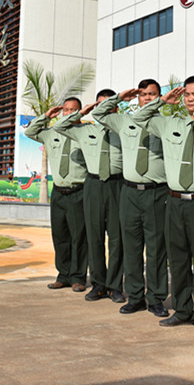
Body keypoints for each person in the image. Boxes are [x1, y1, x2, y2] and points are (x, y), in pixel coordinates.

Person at [131, 76, 194, 333]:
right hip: (174, 202)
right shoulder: (170, 124)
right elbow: (139, 118)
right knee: (177, 260)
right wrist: (162, 102)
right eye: (186, 94)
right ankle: (183, 310)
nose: (189, 99)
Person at [92, 79, 169, 317]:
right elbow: (98, 113)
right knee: (131, 247)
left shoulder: (166, 124)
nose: (148, 98)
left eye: (152, 94)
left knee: (156, 248)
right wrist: (119, 98)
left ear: (160, 97)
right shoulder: (124, 121)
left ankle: (155, 298)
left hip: (156, 192)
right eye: (144, 94)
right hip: (129, 193)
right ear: (138, 98)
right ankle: (135, 296)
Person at [55, 90, 125, 303]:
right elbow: (60, 126)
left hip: (117, 185)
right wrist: (81, 113)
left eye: (109, 105)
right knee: (94, 237)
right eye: (100, 105)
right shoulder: (85, 130)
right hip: (93, 185)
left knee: (117, 239)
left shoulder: (124, 130)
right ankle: (98, 284)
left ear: (116, 108)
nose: (104, 109)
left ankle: (115, 286)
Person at [25, 97, 88, 293]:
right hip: (59, 193)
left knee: (79, 237)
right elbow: (29, 131)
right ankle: (63, 275)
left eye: (73, 110)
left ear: (80, 112)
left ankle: (78, 277)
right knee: (60, 236)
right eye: (65, 110)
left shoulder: (86, 133)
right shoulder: (51, 133)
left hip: (78, 191)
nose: (68, 113)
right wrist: (46, 116)